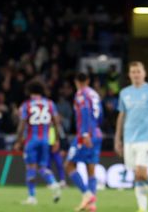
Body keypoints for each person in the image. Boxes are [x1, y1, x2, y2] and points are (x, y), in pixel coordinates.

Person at [115, 61, 148, 212]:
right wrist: (117, 138)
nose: (136, 74)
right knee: (137, 175)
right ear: (129, 74)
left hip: (146, 138)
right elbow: (121, 116)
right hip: (129, 139)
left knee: (141, 171)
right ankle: (146, 206)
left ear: (144, 73)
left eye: (138, 71)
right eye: (133, 72)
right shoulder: (124, 93)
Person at [14, 80, 62, 205]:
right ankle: (53, 183)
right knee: (42, 167)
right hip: (45, 140)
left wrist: (18, 140)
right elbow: (57, 123)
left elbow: (22, 124)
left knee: (30, 167)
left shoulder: (27, 105)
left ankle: (32, 197)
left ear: (30, 91)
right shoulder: (50, 104)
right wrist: (56, 139)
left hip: (32, 140)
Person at [66, 72, 103, 211]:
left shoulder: (81, 94)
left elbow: (86, 112)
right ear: (88, 80)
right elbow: (101, 115)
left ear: (76, 81)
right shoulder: (95, 94)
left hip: (85, 134)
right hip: (97, 132)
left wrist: (86, 133)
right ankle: (91, 206)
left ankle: (87, 195)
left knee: (69, 165)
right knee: (90, 169)